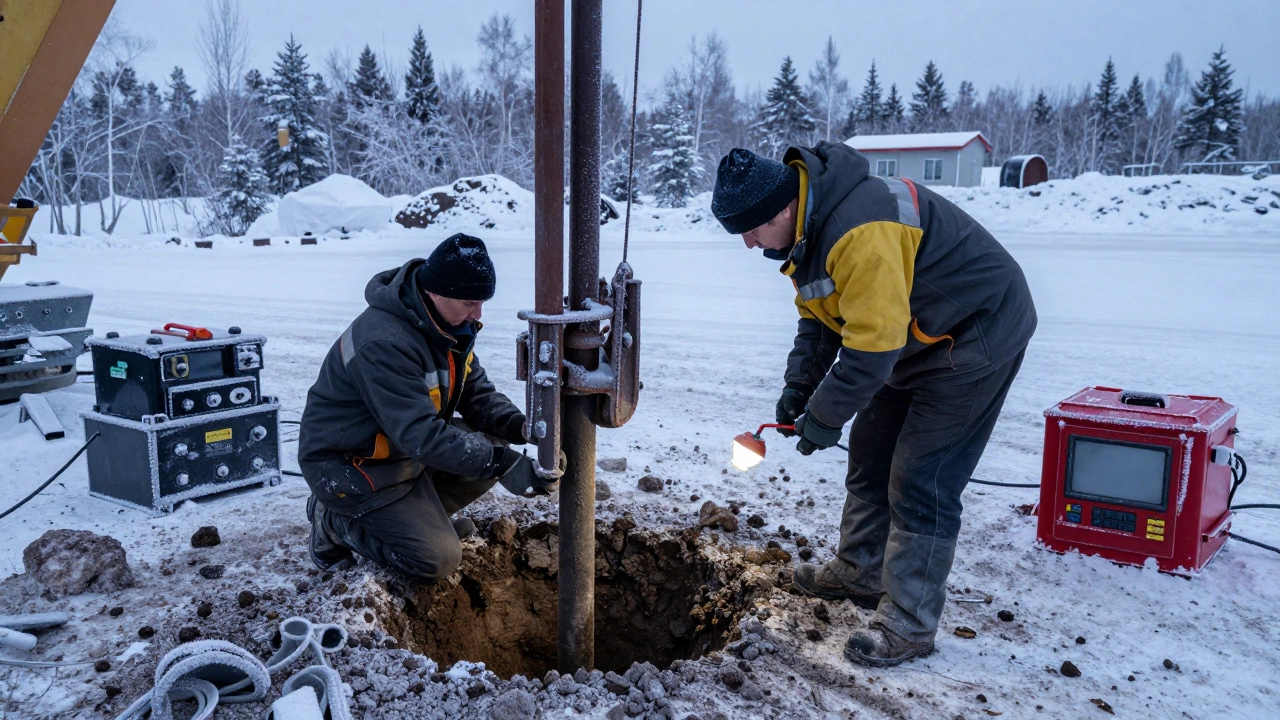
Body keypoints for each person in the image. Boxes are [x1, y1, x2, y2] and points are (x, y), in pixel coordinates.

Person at [711, 144, 1036, 667]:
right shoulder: (806, 236)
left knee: (921, 476)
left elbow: (872, 349)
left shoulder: (861, 231)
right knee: (870, 451)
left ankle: (908, 623)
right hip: (910, 338)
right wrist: (801, 388)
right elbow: (821, 323)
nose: (749, 244)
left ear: (783, 209)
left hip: (974, 334)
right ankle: (860, 570)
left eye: (750, 230)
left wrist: (823, 418)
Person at [298, 233, 554, 582]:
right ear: (437, 292)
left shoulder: (446, 325)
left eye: (481, 303)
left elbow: (475, 391)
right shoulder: (384, 342)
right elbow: (420, 435)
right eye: (469, 303)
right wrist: (503, 465)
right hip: (353, 466)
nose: (478, 314)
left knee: (492, 443)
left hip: (398, 454)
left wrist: (521, 427)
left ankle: (414, 521)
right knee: (437, 559)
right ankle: (335, 522)